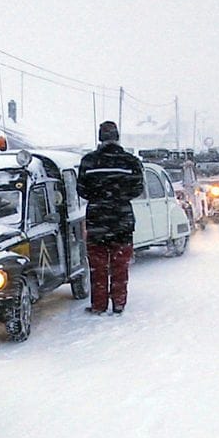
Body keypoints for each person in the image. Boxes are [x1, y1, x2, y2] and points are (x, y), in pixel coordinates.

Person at [77, 121, 144, 315]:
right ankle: (119, 303)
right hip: (122, 220)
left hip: (97, 220)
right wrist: (119, 197)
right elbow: (138, 189)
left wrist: (100, 197)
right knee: (119, 266)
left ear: (100, 137)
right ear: (117, 137)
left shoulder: (88, 161)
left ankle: (98, 305)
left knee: (98, 268)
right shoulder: (130, 162)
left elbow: (81, 189)